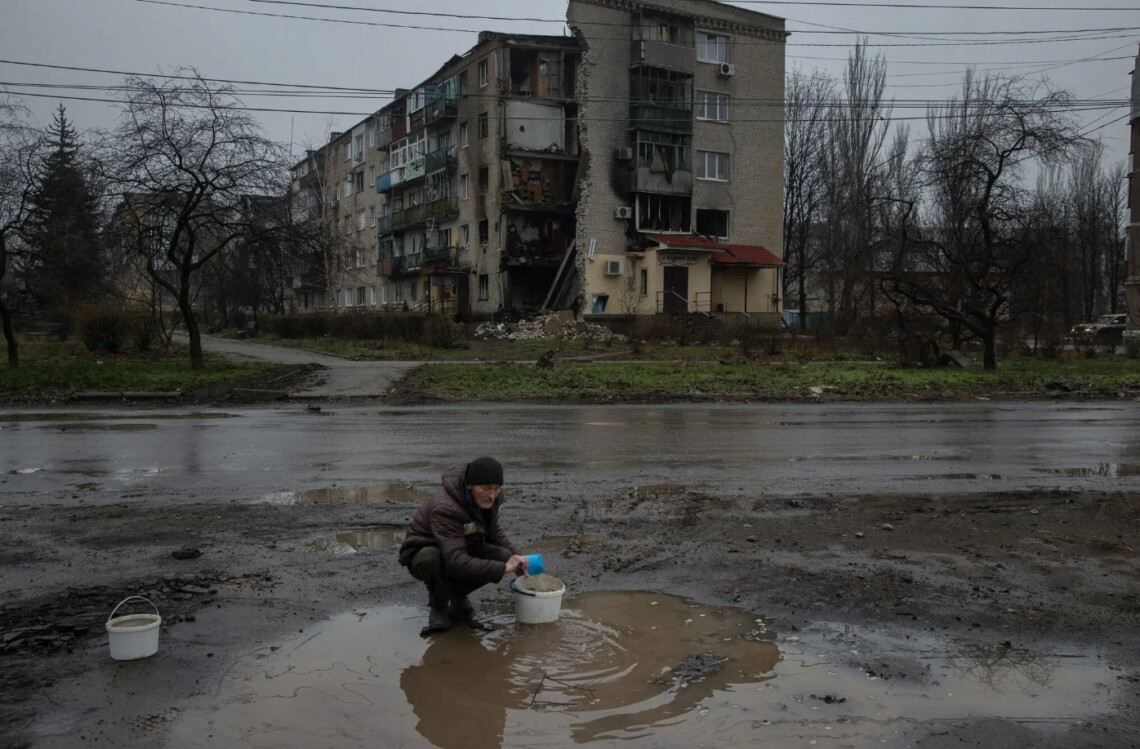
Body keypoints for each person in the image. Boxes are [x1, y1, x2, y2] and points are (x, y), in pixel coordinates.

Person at [398, 457, 529, 634]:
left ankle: (457, 594)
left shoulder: (491, 498)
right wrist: (504, 568)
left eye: (496, 489)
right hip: (424, 554)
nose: (492, 495)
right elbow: (456, 562)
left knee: (503, 554)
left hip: (460, 547)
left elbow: (493, 533)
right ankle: (439, 605)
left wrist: (518, 558)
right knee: (431, 557)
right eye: (485, 488)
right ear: (469, 485)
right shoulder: (445, 507)